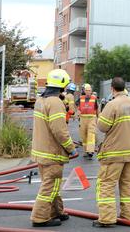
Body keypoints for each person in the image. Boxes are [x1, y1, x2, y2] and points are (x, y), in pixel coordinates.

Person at [93, 77, 130, 228]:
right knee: (129, 186)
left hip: (113, 154)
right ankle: (129, 216)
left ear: (112, 89)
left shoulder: (112, 105)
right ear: (124, 88)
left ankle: (106, 218)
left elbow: (102, 127)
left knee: (106, 185)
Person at [30, 69, 77, 227]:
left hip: (41, 151)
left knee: (52, 183)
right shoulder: (55, 103)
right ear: (63, 84)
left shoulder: (40, 100)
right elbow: (59, 130)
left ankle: (57, 211)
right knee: (50, 186)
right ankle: (40, 217)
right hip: (52, 153)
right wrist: (71, 148)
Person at [76, 83, 99, 158]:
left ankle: (90, 150)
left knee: (91, 134)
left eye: (89, 90)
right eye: (87, 90)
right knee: (84, 135)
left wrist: (99, 118)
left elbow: (97, 109)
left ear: (91, 91)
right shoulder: (81, 98)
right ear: (84, 91)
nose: (88, 92)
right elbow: (78, 107)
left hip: (91, 118)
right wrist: (77, 114)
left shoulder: (94, 98)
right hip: (83, 119)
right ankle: (86, 151)